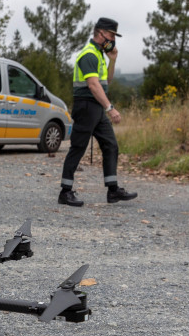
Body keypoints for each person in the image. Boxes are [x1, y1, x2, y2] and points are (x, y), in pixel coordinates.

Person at [58, 17, 137, 207]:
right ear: (100, 33)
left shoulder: (100, 55)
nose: (113, 39)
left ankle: (113, 190)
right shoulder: (88, 55)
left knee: (111, 145)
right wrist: (110, 108)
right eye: (111, 35)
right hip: (86, 106)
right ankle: (65, 192)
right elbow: (93, 86)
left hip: (97, 108)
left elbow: (106, 82)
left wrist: (113, 60)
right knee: (78, 148)